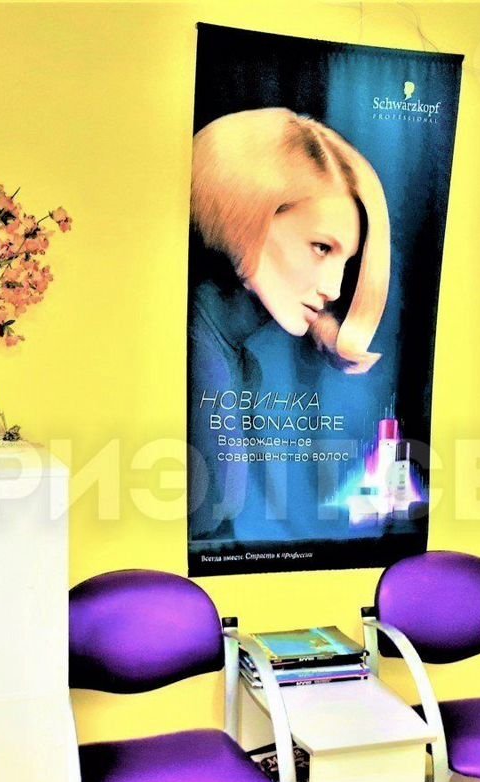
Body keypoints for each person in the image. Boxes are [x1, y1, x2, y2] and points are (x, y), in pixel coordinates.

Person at [187, 108, 391, 543]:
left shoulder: (234, 360)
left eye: (345, 260)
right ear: (249, 214)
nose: (334, 288)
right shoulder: (197, 359)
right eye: (321, 247)